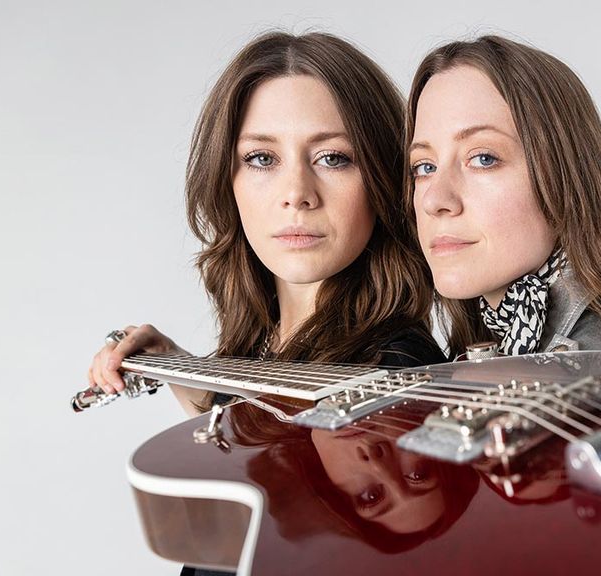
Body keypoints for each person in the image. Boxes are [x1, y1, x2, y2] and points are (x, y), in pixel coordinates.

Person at [86, 31, 444, 416]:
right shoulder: (272, 338)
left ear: (382, 179)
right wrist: (174, 364)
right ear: (227, 180)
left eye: (333, 158)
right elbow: (252, 438)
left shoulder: (394, 369)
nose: (296, 193)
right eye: (261, 158)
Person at [404, 35, 601, 368]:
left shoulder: (600, 374)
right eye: (425, 166)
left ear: (563, 179)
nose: (434, 200)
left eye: (483, 158)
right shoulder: (499, 332)